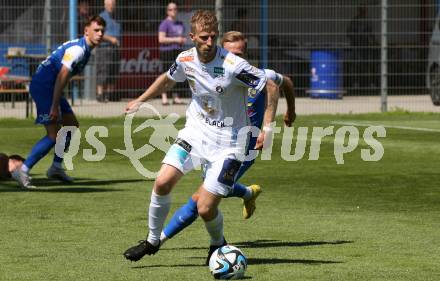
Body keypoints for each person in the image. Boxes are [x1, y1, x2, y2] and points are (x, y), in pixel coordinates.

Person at [123, 10, 279, 264]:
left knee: (205, 208)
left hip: (230, 145)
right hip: (195, 134)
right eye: (204, 37)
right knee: (162, 182)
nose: (209, 42)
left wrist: (267, 129)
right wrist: (141, 100)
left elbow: (271, 86)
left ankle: (218, 243)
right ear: (192, 36)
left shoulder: (232, 65)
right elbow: (167, 80)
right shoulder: (185, 59)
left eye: (213, 37)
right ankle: (152, 240)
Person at [158, 31, 296, 247]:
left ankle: (157, 241)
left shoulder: (259, 75)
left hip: (242, 150)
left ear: (245, 53)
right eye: (231, 53)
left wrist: (286, 115)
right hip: (213, 141)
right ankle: (248, 192)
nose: (236, 57)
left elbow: (285, 82)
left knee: (199, 200)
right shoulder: (216, 74)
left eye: (240, 53)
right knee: (213, 188)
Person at [11, 16, 105, 189]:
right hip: (44, 87)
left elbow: (63, 77)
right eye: (96, 30)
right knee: (53, 135)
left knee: (71, 125)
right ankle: (22, 170)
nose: (100, 34)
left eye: (102, 31)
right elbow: (62, 74)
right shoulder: (78, 50)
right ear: (86, 31)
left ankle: (55, 167)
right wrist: (55, 105)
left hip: (51, 87)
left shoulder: (85, 49)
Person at [158, 2, 187, 105]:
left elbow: (182, 37)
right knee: (166, 75)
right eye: (170, 9)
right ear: (167, 11)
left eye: (175, 9)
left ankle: (176, 97)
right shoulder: (164, 23)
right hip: (167, 51)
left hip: (178, 51)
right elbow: (161, 39)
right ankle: (164, 96)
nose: (173, 11)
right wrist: (176, 39)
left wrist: (182, 40)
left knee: (177, 74)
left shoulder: (180, 24)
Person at [96, 0, 121, 102]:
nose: (111, 6)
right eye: (109, 4)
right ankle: (100, 94)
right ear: (105, 5)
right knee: (103, 71)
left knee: (113, 71)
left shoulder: (117, 17)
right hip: (104, 48)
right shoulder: (101, 17)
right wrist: (112, 39)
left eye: (113, 4)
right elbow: (98, 33)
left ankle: (110, 94)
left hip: (116, 48)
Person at [346, 6, 377, 89]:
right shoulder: (355, 21)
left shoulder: (366, 21)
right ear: (359, 11)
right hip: (357, 46)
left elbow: (371, 33)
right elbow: (349, 33)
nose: (364, 12)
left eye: (364, 11)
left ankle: (369, 83)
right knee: (357, 65)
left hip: (365, 46)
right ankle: (356, 83)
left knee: (367, 65)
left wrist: (373, 42)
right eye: (362, 10)